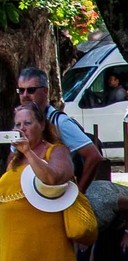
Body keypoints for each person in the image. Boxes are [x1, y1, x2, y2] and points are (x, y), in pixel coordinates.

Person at [0, 103, 81, 261]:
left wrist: (28, 152)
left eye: (27, 123)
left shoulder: (56, 151)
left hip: (44, 238)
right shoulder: (14, 159)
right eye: (18, 124)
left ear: (42, 125)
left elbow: (52, 179)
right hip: (13, 240)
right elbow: (2, 200)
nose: (21, 128)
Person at [15, 63, 105, 193]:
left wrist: (79, 193)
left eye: (31, 90)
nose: (25, 95)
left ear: (45, 91)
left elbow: (94, 156)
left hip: (59, 194)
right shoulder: (20, 122)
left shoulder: (60, 122)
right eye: (21, 90)